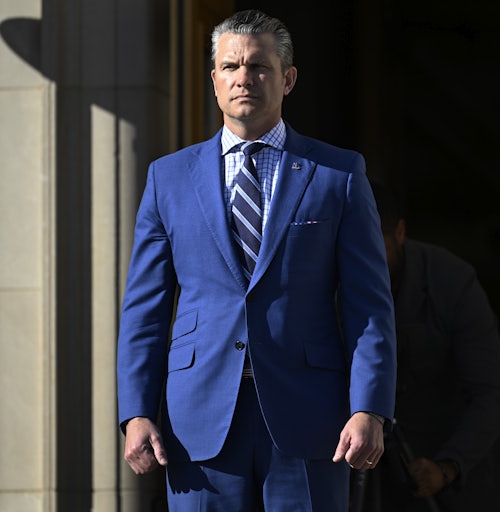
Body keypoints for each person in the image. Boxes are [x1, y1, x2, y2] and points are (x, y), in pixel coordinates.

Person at [116, 10, 397, 512]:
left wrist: (369, 406)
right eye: (230, 67)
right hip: (197, 417)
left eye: (259, 67)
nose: (244, 77)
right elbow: (145, 310)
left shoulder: (338, 173)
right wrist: (135, 412)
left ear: (287, 79)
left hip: (309, 417)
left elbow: (368, 305)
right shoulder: (168, 178)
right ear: (214, 80)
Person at [353, 181, 500, 511]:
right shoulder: (332, 277)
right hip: (370, 473)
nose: (364, 262)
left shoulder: (451, 281)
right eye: (352, 248)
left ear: (399, 233)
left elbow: (490, 395)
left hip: (459, 472)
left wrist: (449, 465)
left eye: (374, 246)